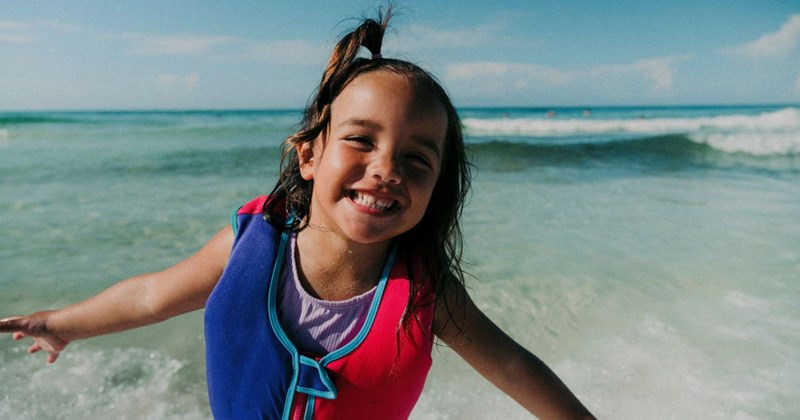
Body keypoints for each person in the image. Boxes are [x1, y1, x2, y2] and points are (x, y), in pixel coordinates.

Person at [0, 9, 595, 420]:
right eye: (361, 141)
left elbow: (514, 366)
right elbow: (153, 295)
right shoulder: (251, 243)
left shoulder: (425, 292)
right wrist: (63, 323)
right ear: (309, 155)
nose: (387, 169)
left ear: (436, 189)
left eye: (416, 160)